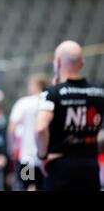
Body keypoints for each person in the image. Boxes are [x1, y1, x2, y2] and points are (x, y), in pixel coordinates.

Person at [36, 40, 104, 190]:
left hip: (60, 170)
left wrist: (43, 156)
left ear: (58, 63)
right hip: (90, 169)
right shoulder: (99, 92)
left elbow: (41, 128)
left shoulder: (51, 93)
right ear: (82, 63)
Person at [8, 73, 49, 190]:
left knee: (27, 186)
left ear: (36, 85)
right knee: (43, 186)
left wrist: (12, 147)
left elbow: (12, 127)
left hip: (27, 157)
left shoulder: (24, 103)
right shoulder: (50, 101)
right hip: (44, 157)